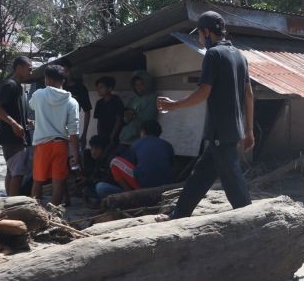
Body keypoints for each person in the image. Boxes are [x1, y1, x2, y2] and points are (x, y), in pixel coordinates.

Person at [157, 11, 254, 219]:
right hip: (231, 131)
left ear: (207, 32)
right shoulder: (240, 55)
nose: (200, 40)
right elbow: (250, 95)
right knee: (200, 176)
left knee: (234, 184)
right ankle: (179, 214)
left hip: (221, 131)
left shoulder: (213, 55)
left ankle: (253, 219)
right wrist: (249, 130)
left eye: (200, 35)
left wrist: (174, 106)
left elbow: (203, 92)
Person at [29, 64, 80, 205]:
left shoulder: (38, 95)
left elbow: (31, 106)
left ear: (46, 79)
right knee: (58, 182)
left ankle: (35, 212)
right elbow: (73, 131)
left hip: (42, 145)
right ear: (63, 80)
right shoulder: (72, 102)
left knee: (38, 182)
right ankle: (53, 214)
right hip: (61, 145)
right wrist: (76, 153)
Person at [0, 56, 33, 196]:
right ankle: (13, 204)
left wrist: (26, 122)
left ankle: (9, 201)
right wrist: (14, 124)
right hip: (12, 137)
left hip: (19, 136)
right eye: (29, 69)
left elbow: (14, 111)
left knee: (12, 171)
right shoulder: (10, 85)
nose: (31, 73)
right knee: (17, 173)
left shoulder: (19, 88)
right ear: (19, 68)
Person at [98, 120, 175, 196]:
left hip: (144, 185)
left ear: (143, 131)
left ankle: (131, 195)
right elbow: (171, 166)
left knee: (114, 161)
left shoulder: (137, 144)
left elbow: (132, 165)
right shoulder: (167, 145)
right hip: (165, 187)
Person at [56, 59, 92, 147]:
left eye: (66, 71)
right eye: (61, 72)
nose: (64, 74)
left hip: (73, 129)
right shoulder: (55, 88)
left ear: (70, 70)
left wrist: (84, 134)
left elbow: (87, 111)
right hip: (56, 131)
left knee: (73, 157)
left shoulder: (80, 88)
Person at [83, 135, 118, 203]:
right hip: (106, 185)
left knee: (101, 187)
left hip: (117, 188)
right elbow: (96, 175)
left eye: (96, 148)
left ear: (103, 148)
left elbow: (110, 180)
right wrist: (87, 181)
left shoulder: (111, 159)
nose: (92, 151)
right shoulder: (99, 160)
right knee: (86, 190)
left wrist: (93, 181)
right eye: (92, 148)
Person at [93, 76, 125, 146]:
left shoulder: (117, 101)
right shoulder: (99, 103)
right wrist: (99, 135)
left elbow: (119, 120)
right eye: (97, 87)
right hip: (103, 135)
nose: (98, 90)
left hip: (116, 134)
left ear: (110, 88)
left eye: (101, 87)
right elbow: (99, 121)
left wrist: (112, 136)